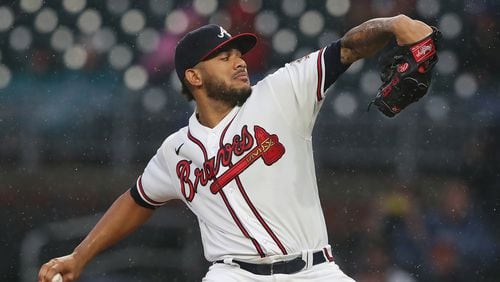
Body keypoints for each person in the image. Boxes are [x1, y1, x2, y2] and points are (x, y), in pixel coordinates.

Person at [39, 14, 434, 281]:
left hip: (314, 270)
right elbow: (137, 199)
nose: (239, 62)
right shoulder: (176, 151)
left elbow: (348, 48)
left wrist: (395, 24)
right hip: (234, 274)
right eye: (224, 57)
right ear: (193, 76)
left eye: (239, 54)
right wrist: (80, 256)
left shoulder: (281, 92)